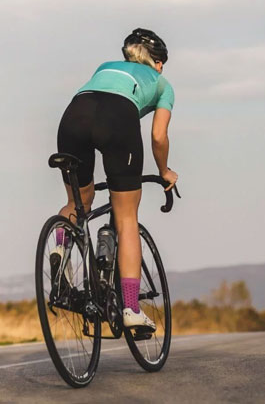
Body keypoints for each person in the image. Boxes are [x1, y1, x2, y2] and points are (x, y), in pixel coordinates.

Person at [52, 28, 178, 331]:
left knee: (77, 201)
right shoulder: (163, 84)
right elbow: (159, 136)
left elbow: (99, 99)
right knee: (126, 217)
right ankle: (132, 307)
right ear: (158, 62)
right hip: (118, 119)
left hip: (74, 115)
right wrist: (165, 171)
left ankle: (60, 250)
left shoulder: (105, 67)